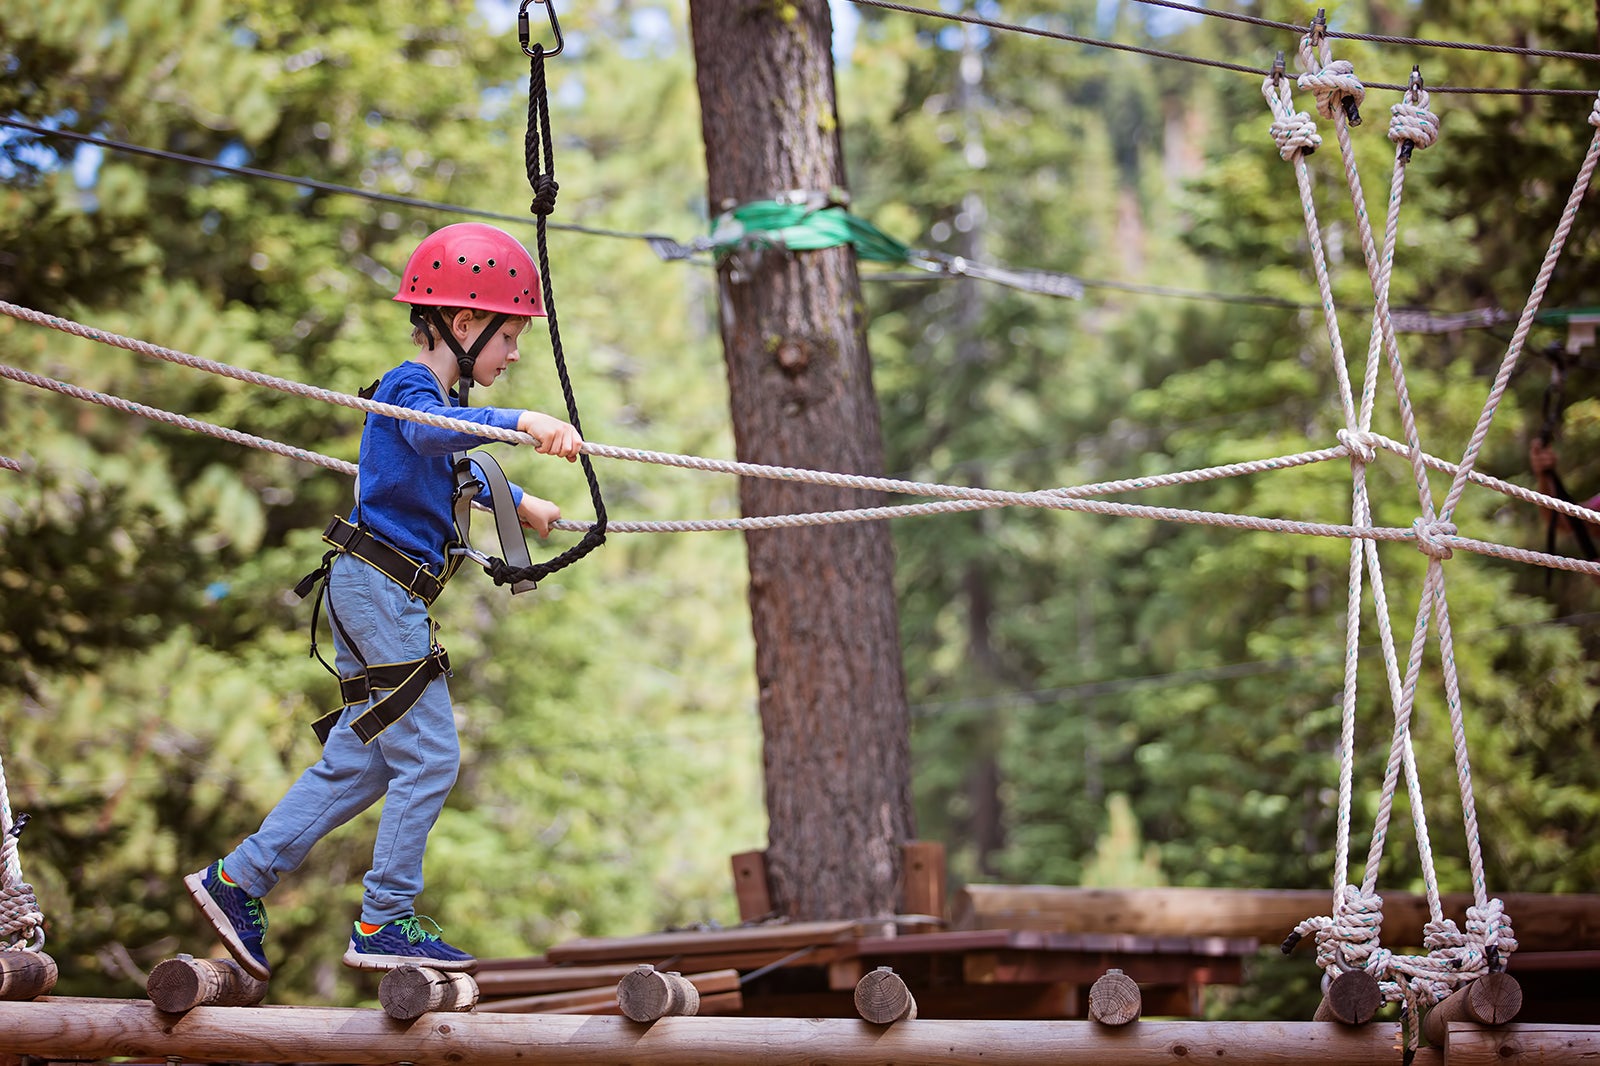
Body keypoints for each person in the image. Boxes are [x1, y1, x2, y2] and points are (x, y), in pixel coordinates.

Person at [184, 223, 582, 980]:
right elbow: (433, 439)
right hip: (380, 589)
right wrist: (522, 424)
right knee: (432, 757)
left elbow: (446, 469)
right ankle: (385, 917)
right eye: (510, 337)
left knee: (362, 764)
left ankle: (237, 880)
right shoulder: (411, 388)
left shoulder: (437, 403)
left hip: (376, 590)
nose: (516, 353)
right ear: (464, 325)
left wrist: (523, 502)